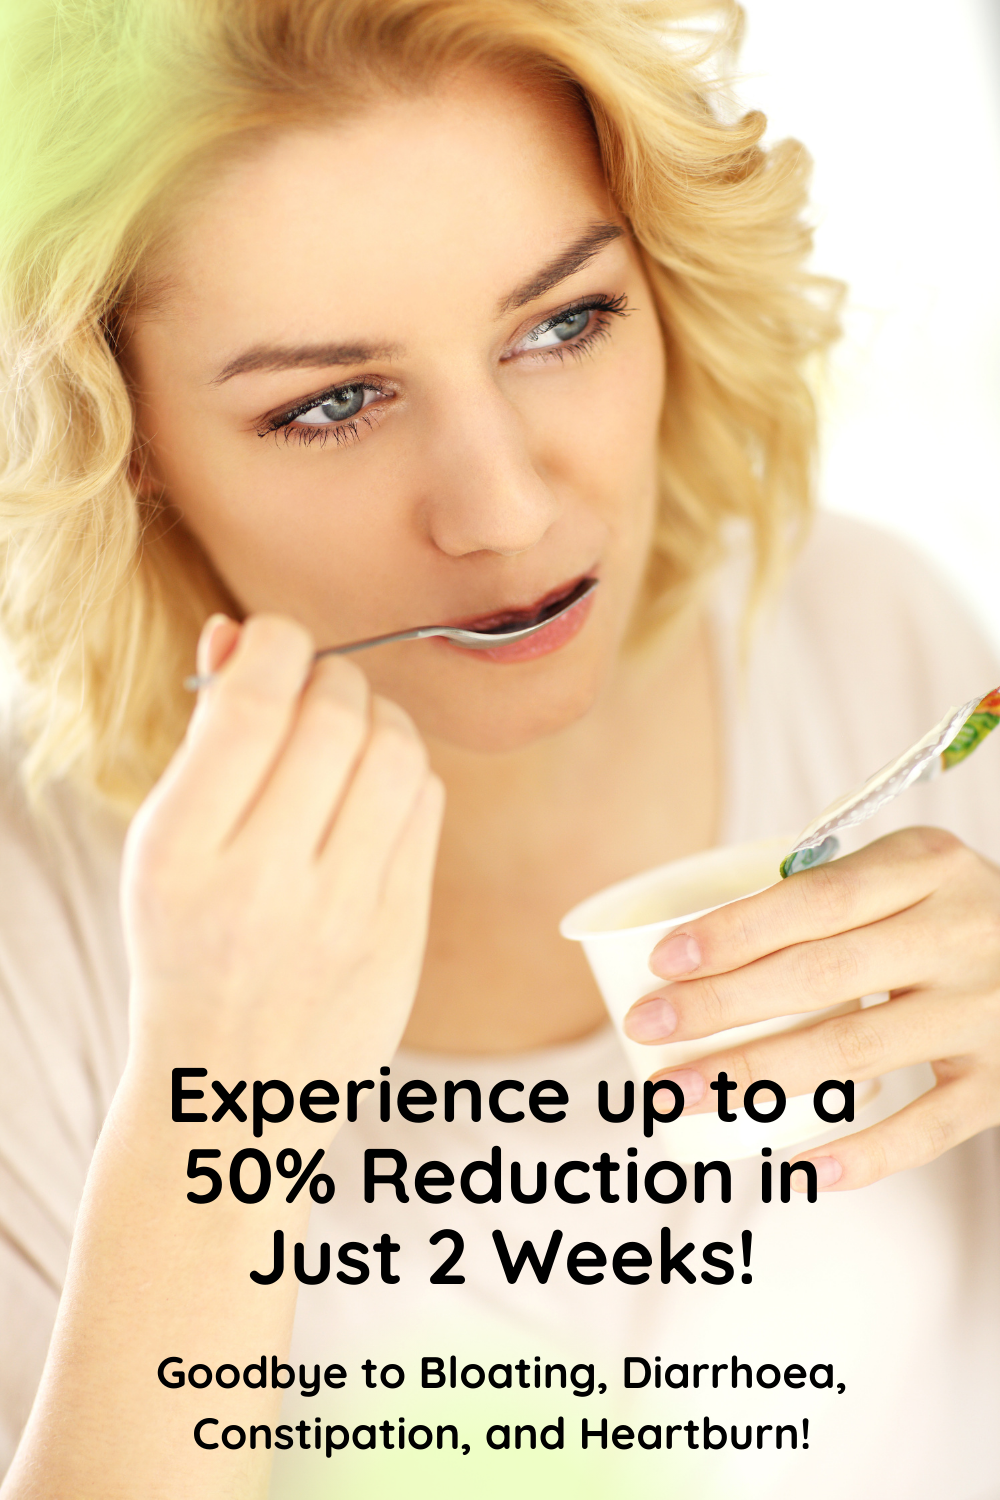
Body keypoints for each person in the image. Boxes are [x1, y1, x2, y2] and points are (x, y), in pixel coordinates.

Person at [0, 0, 998, 1495]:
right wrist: (212, 1119)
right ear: (126, 449)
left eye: (563, 323)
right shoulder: (37, 913)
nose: (506, 511)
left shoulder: (872, 640)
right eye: (332, 404)